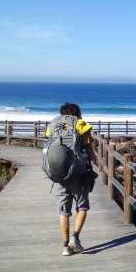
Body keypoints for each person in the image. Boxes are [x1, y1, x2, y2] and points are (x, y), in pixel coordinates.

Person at [46, 102, 96, 256]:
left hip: (59, 174)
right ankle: (75, 237)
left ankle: (65, 247)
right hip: (78, 173)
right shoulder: (81, 125)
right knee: (82, 207)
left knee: (64, 212)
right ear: (78, 113)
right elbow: (92, 156)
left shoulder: (53, 125)